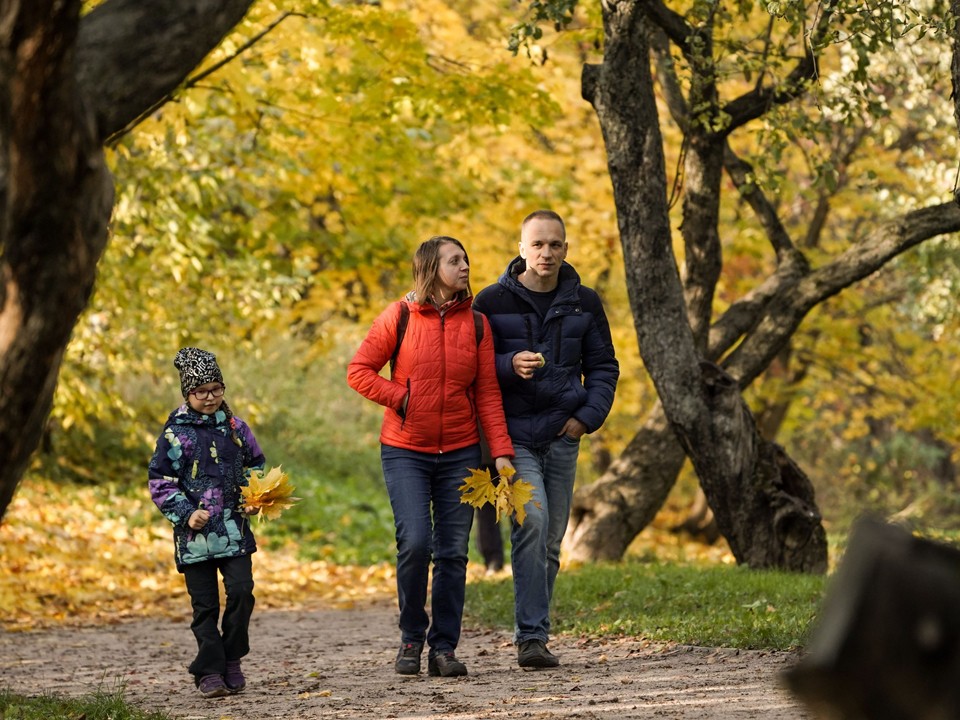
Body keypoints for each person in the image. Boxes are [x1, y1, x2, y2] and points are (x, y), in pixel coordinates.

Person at [347, 235, 515, 678]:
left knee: (454, 553)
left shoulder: (477, 324)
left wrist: (500, 453)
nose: (465, 266)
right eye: (454, 261)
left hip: (461, 452)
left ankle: (444, 648)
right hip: (405, 451)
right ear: (430, 269)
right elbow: (358, 371)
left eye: (465, 259)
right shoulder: (398, 316)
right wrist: (400, 398)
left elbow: (488, 393)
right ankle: (410, 638)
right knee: (416, 543)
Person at [473, 210, 619, 669]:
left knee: (551, 539)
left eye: (555, 244)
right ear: (521, 248)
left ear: (566, 249)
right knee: (531, 521)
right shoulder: (491, 301)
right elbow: (472, 367)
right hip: (512, 435)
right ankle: (531, 637)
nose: (546, 252)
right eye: (537, 244)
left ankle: (535, 631)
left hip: (562, 435)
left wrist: (585, 419)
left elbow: (603, 368)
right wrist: (507, 364)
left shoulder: (585, 302)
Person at [148, 347, 265, 698]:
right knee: (205, 606)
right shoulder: (175, 434)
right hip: (195, 537)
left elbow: (256, 467)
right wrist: (186, 513)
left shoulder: (236, 429)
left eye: (216, 389)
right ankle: (209, 671)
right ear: (188, 393)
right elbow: (160, 482)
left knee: (242, 592)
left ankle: (232, 658)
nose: (210, 397)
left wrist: (254, 498)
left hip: (234, 532)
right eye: (201, 391)